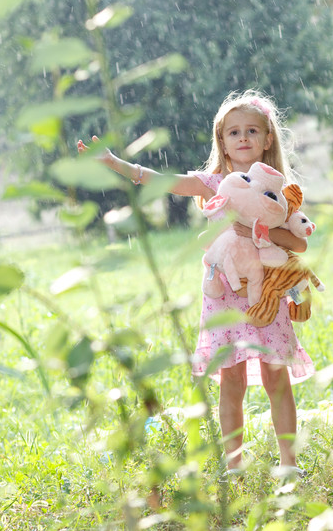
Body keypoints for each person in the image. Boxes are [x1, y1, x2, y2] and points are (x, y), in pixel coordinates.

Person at [78, 90, 314, 476]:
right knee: (231, 380)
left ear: (267, 139)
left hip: (266, 297)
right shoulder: (213, 183)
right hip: (224, 298)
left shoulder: (278, 189)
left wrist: (257, 231)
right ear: (222, 140)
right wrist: (115, 163)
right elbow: (162, 181)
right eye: (233, 132)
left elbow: (299, 243)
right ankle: (234, 464)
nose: (243, 138)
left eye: (252, 130)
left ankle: (289, 463)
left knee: (277, 376)